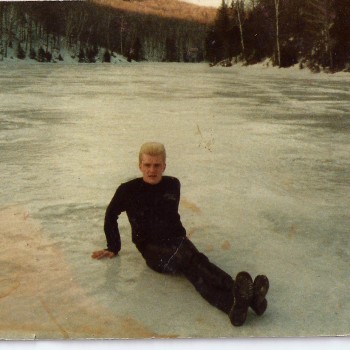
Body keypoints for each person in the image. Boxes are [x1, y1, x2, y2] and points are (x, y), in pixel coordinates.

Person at [92, 142, 269, 327]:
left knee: (197, 263)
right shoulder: (127, 190)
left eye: (157, 165)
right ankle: (247, 297)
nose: (152, 170)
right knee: (191, 263)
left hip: (177, 242)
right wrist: (113, 246)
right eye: (147, 165)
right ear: (140, 166)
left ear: (164, 166)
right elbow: (111, 214)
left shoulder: (172, 184)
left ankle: (234, 306)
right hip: (153, 250)